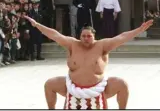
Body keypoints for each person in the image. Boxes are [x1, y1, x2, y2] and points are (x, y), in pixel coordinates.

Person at [22, 15, 153, 109]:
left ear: (94, 36)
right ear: (79, 36)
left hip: (99, 89)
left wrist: (139, 30)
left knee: (122, 84)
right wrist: (37, 25)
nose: (86, 38)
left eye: (89, 36)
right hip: (72, 89)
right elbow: (55, 35)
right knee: (49, 84)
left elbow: (122, 37)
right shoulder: (72, 44)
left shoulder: (102, 46)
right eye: (83, 36)